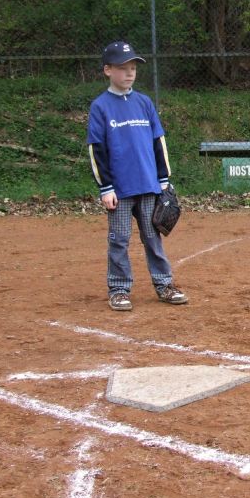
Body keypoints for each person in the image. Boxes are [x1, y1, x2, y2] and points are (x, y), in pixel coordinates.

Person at [87, 41, 188, 311]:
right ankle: (119, 289)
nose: (129, 73)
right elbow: (96, 150)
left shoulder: (144, 103)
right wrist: (105, 188)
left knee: (153, 238)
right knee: (119, 240)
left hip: (148, 185)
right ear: (107, 70)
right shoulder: (101, 106)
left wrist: (164, 180)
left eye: (132, 67)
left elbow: (159, 143)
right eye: (122, 68)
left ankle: (164, 284)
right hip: (119, 189)